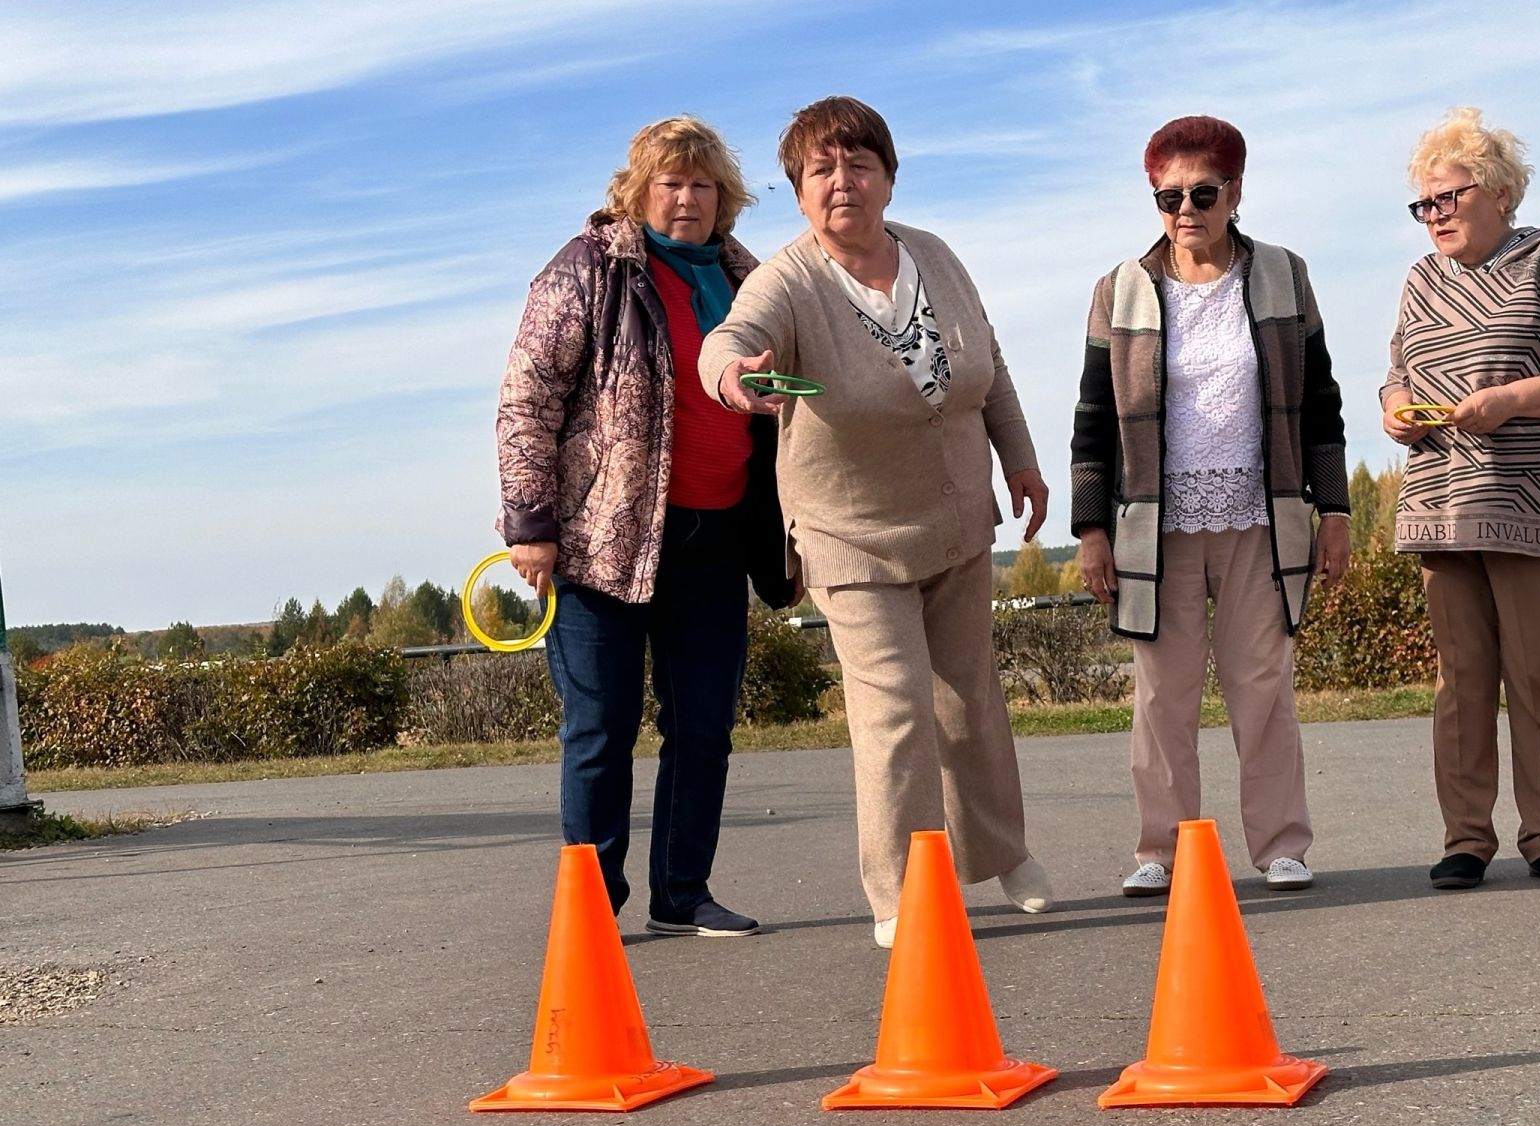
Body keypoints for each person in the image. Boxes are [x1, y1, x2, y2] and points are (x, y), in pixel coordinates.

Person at [699, 95, 1052, 948]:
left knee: (970, 702)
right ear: (798, 191)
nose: (841, 181)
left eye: (859, 164)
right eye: (821, 169)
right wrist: (730, 374)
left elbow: (989, 363)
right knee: (894, 712)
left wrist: (1022, 461)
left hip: (959, 519)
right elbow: (732, 337)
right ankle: (901, 896)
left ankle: (1002, 854)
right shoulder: (786, 281)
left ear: (889, 176)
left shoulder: (933, 254)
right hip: (851, 537)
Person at [496, 116, 796, 936]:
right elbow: (528, 400)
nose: (688, 198)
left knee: (703, 727)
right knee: (601, 729)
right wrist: (530, 522)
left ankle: (682, 895)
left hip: (718, 536)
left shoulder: (749, 278)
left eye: (703, 185)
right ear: (638, 192)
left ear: (724, 198)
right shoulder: (589, 268)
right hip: (604, 543)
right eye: (671, 183)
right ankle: (592, 911)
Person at [1071, 115, 1350, 898]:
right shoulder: (1120, 289)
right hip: (1155, 525)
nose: (1184, 209)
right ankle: (1163, 849)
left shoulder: (1284, 278)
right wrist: (1092, 527)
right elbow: (1092, 419)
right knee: (1164, 694)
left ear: (1235, 192)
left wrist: (1335, 511)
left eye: (1201, 192)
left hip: (1261, 515)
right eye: (1167, 196)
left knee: (1263, 684)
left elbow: (1321, 405)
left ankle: (1281, 845)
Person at [1380, 107, 1540, 890]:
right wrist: (1393, 405)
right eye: (1423, 205)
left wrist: (1512, 398)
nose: (1434, 217)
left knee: (1537, 674)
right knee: (1459, 684)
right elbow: (1397, 368)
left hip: (1534, 507)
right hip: (1441, 501)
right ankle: (1465, 838)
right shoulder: (1420, 280)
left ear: (1497, 192)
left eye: (1447, 198)